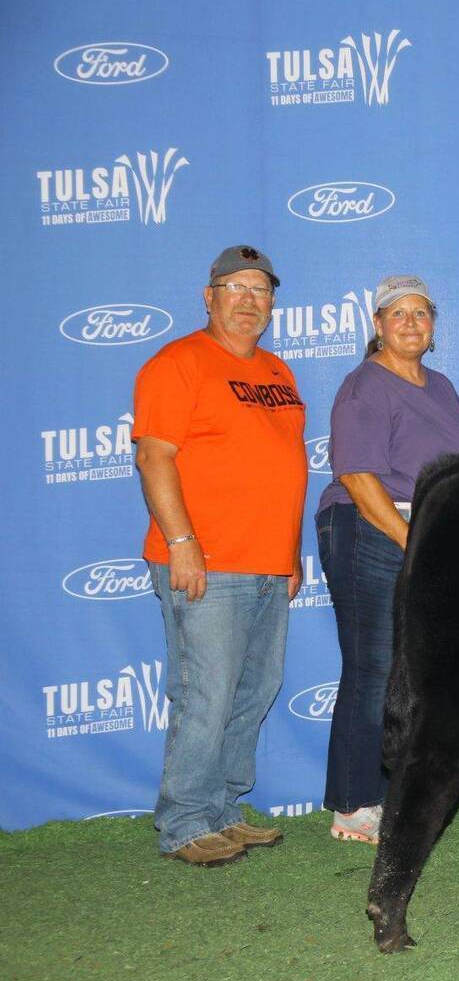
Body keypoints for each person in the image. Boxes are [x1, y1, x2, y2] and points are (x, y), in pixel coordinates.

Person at [133, 245, 307, 866]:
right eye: (235, 287)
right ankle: (183, 822)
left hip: (266, 565)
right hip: (206, 564)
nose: (248, 299)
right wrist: (183, 544)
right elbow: (155, 456)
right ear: (209, 297)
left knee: (252, 693)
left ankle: (222, 809)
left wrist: (289, 553)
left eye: (260, 289)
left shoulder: (278, 372)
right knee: (205, 694)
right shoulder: (178, 363)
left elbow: (282, 467)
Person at [314, 275, 459, 843]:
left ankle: (390, 796)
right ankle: (354, 802)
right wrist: (415, 541)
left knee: (409, 672)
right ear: (377, 325)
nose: (410, 322)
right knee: (374, 667)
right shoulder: (365, 385)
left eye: (420, 313)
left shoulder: (441, 386)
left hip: (426, 532)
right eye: (396, 313)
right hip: (371, 528)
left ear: (433, 326)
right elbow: (359, 477)